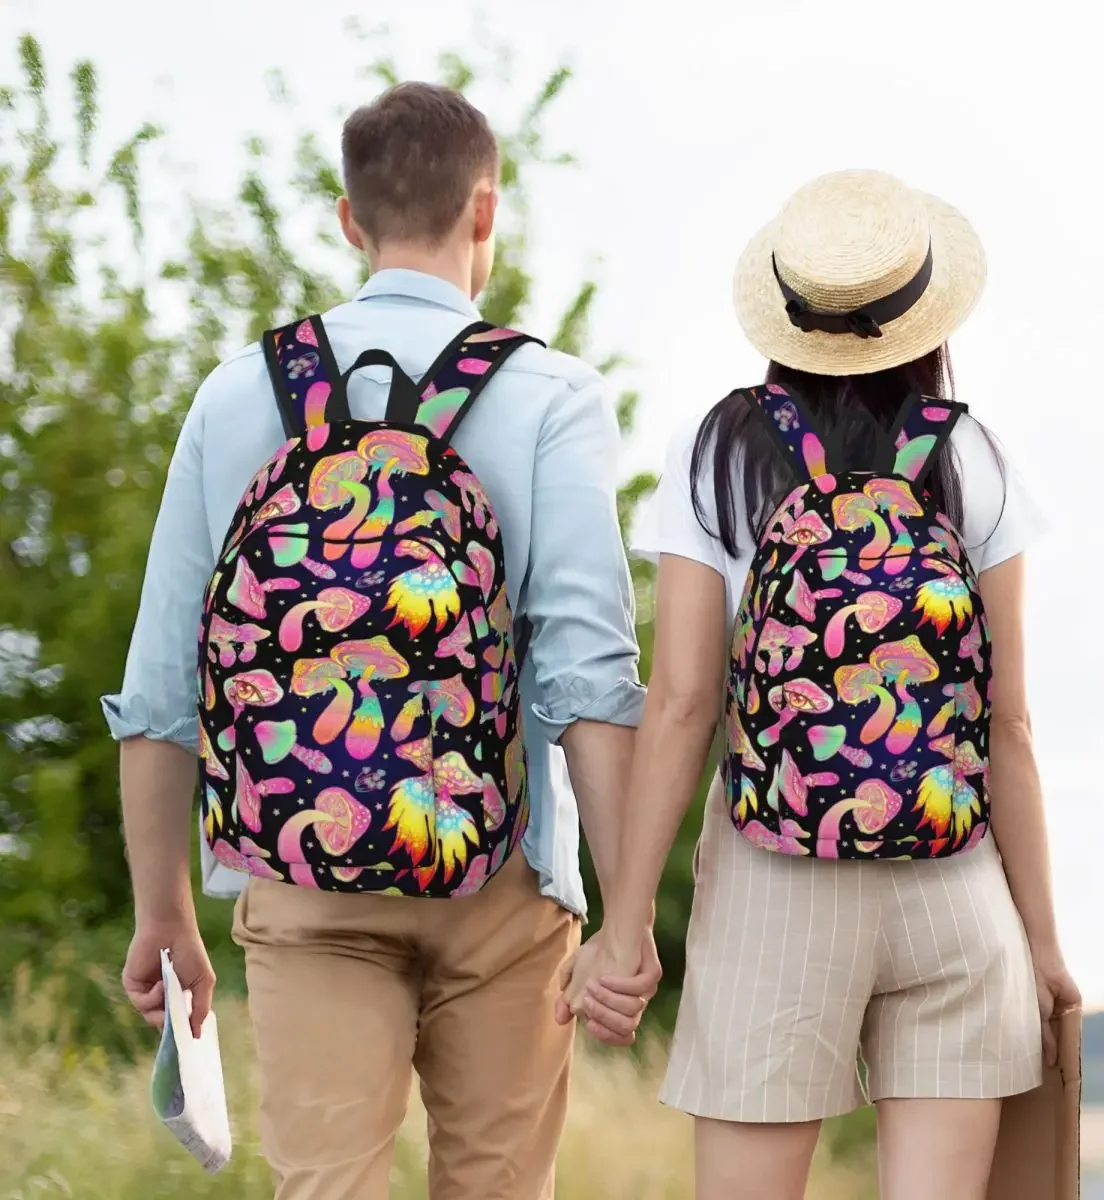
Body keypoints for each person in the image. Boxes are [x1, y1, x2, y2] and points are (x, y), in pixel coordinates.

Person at [104, 81, 660, 1200]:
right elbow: (589, 678)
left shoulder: (235, 395)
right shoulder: (551, 394)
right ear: (486, 212)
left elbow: (163, 684)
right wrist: (627, 914)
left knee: (326, 1187)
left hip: (301, 872)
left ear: (350, 220)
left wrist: (163, 912)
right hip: (503, 872)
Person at [560, 169, 1080, 1200]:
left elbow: (682, 704)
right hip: (954, 884)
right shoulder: (973, 457)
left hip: (774, 881)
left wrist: (623, 927)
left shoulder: (719, 451)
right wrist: (1043, 944)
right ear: (925, 316)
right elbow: (1009, 722)